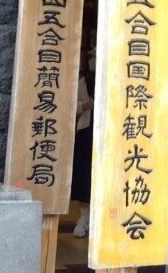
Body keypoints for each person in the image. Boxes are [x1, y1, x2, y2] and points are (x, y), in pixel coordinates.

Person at [71, 47, 95, 237]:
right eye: (91, 57)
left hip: (105, 133)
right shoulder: (83, 82)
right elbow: (72, 105)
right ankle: (83, 217)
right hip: (86, 131)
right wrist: (84, 105)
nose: (92, 61)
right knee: (83, 177)